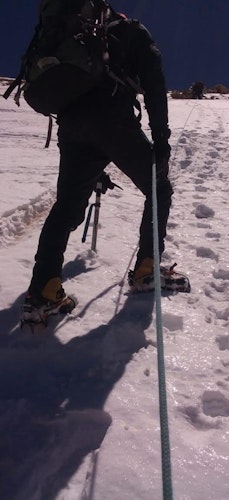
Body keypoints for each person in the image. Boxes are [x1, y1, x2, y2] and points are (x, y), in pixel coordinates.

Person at [22, 0, 177, 323]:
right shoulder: (133, 31)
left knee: (65, 206)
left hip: (71, 124)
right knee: (158, 187)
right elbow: (154, 84)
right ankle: (147, 269)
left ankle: (44, 290)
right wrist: (161, 141)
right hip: (112, 118)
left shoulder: (74, 36)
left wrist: (96, 168)